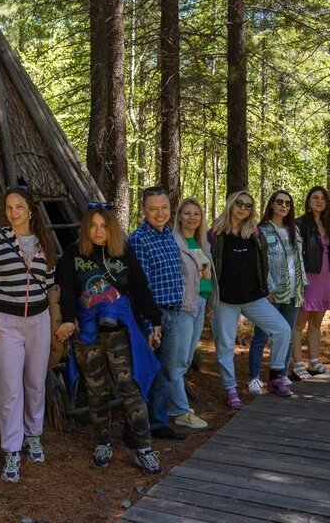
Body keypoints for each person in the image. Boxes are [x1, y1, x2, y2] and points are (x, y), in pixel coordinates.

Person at [55, 203, 163, 475]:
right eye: (93, 225)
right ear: (86, 228)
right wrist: (69, 318)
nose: (98, 231)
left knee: (130, 387)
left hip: (121, 334)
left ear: (111, 228)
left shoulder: (123, 252)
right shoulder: (73, 253)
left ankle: (143, 447)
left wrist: (154, 321)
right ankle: (103, 441)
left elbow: (139, 288)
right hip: (87, 335)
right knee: (95, 390)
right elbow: (66, 289)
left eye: (103, 225)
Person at [0, 187, 56, 483]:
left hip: (39, 319)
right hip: (6, 322)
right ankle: (11, 449)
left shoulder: (44, 243)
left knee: (35, 382)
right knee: (11, 387)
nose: (13, 212)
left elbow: (50, 285)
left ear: (31, 210)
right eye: (9, 207)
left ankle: (33, 434)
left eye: (19, 207)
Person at [210, 191, 294, 410]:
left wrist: (267, 287)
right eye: (239, 204)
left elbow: (263, 263)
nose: (243, 209)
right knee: (226, 346)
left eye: (248, 206)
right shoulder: (215, 234)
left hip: (253, 298)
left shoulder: (255, 234)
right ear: (230, 204)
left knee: (282, 329)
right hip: (226, 300)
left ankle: (276, 377)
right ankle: (230, 390)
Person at [128, 187, 196, 439]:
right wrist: (149, 324)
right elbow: (140, 287)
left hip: (175, 314)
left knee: (168, 371)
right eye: (153, 209)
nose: (160, 213)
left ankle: (159, 421)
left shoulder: (169, 234)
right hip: (153, 316)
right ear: (144, 211)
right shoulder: (138, 239)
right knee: (147, 371)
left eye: (164, 208)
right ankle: (139, 425)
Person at [246, 190, 307, 393]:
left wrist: (302, 284)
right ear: (271, 204)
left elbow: (299, 260)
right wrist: (267, 288)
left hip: (293, 291)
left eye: (287, 203)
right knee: (261, 336)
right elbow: (260, 263)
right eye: (279, 202)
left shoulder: (294, 230)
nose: (283, 206)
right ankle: (254, 377)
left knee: (287, 334)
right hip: (271, 293)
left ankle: (280, 374)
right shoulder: (261, 230)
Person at [170, 198, 215, 428]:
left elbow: (206, 274)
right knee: (178, 361)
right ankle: (179, 410)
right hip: (184, 306)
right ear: (179, 216)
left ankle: (174, 404)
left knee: (186, 359)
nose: (192, 218)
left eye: (196, 214)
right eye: (187, 214)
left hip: (201, 304)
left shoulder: (202, 242)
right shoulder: (174, 242)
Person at [293, 186, 330, 377]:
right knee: (299, 323)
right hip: (307, 276)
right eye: (315, 198)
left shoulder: (329, 224)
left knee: (317, 323)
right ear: (308, 201)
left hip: (325, 276)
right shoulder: (300, 223)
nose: (319, 201)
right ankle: (298, 364)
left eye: (322, 198)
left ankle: (314, 362)